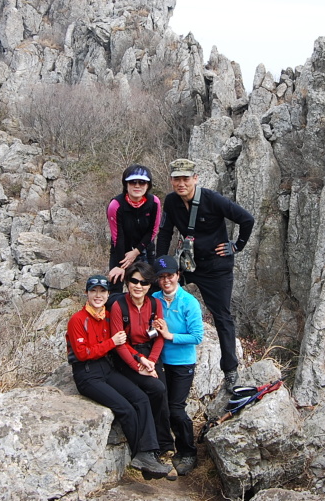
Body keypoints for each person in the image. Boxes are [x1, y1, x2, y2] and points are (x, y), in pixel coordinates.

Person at [155, 158, 254, 393]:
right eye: (176, 179)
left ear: (195, 179)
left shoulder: (212, 199)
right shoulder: (171, 202)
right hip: (188, 265)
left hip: (215, 267)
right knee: (153, 296)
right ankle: (152, 356)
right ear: (171, 181)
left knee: (222, 316)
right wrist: (159, 264)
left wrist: (236, 245)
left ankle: (230, 370)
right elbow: (165, 232)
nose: (181, 184)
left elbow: (246, 219)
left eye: (185, 179)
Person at [66, 274, 171, 478]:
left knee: (141, 399)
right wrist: (111, 342)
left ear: (107, 295)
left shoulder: (106, 316)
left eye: (102, 291)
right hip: (87, 375)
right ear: (87, 293)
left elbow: (123, 344)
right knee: (126, 409)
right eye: (93, 291)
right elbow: (83, 353)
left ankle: (149, 453)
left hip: (107, 368)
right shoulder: (78, 320)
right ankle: (139, 454)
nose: (98, 295)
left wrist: (141, 360)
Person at [109, 261, 173, 459]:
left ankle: (165, 445)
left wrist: (152, 361)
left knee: (161, 393)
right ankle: (153, 446)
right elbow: (119, 342)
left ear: (149, 286)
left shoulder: (155, 305)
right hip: (127, 355)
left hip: (150, 353)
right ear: (127, 282)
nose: (138, 286)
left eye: (144, 283)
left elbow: (160, 335)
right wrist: (138, 365)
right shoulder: (118, 306)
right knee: (154, 389)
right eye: (134, 281)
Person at [151, 254, 204, 476]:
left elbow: (197, 336)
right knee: (161, 406)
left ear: (178, 276)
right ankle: (164, 448)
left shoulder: (189, 302)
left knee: (176, 409)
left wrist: (170, 335)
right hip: (160, 362)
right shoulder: (153, 298)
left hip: (182, 363)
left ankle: (188, 450)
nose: (166, 281)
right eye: (162, 277)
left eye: (170, 276)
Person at [106, 164, 161, 294]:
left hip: (145, 246)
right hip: (121, 248)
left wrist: (136, 252)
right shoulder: (116, 205)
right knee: (116, 283)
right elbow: (117, 236)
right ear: (126, 184)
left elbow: (153, 231)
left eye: (142, 182)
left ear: (148, 185)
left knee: (149, 285)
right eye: (133, 182)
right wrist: (121, 265)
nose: (137, 186)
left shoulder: (154, 203)